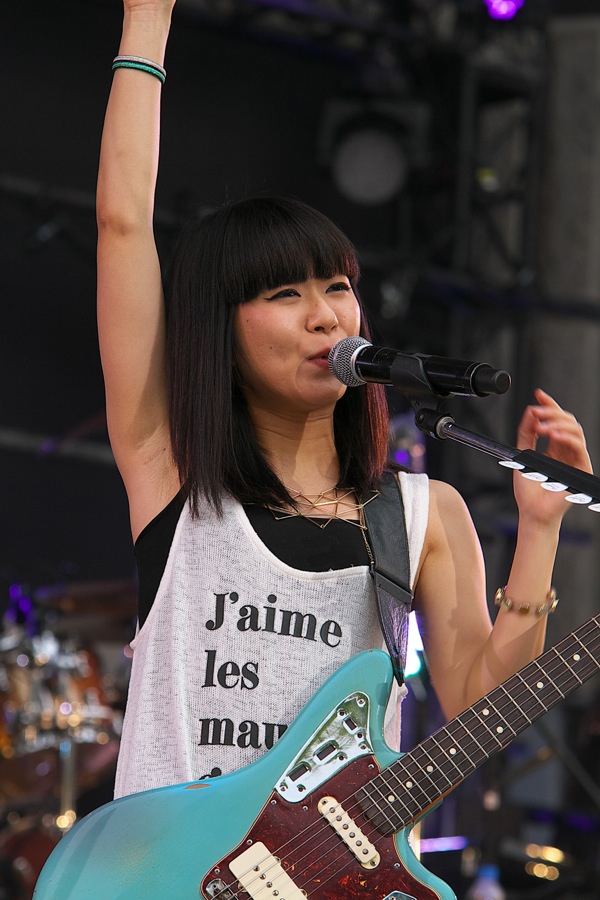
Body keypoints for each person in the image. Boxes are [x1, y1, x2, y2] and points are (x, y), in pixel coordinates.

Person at [98, 0, 592, 800]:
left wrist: (539, 530)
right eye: (284, 294)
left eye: (337, 286)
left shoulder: (424, 515)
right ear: (221, 332)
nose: (326, 316)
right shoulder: (172, 472)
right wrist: (147, 20)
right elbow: (122, 226)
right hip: (173, 861)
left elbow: (478, 710)